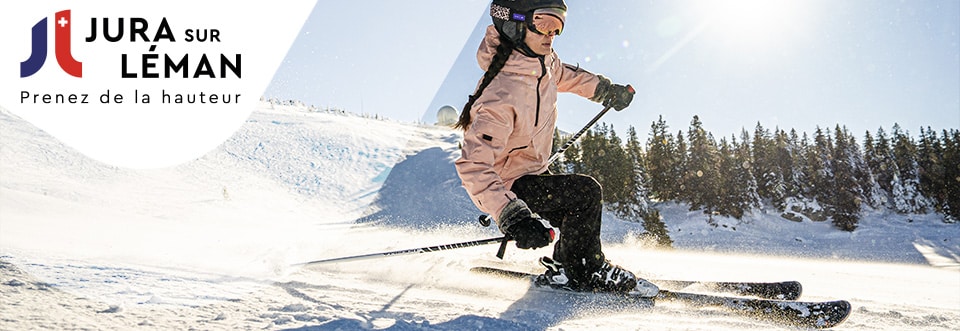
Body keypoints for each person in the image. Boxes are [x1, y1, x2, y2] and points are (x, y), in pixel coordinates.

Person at [454, 0, 642, 293]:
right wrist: (511, 215)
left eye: (558, 27)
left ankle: (567, 267)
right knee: (585, 193)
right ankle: (586, 271)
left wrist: (605, 91)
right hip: (510, 184)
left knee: (576, 207)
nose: (550, 34)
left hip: (533, 170)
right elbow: (474, 167)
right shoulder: (500, 94)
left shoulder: (543, 63)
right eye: (543, 23)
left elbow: (567, 75)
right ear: (513, 23)